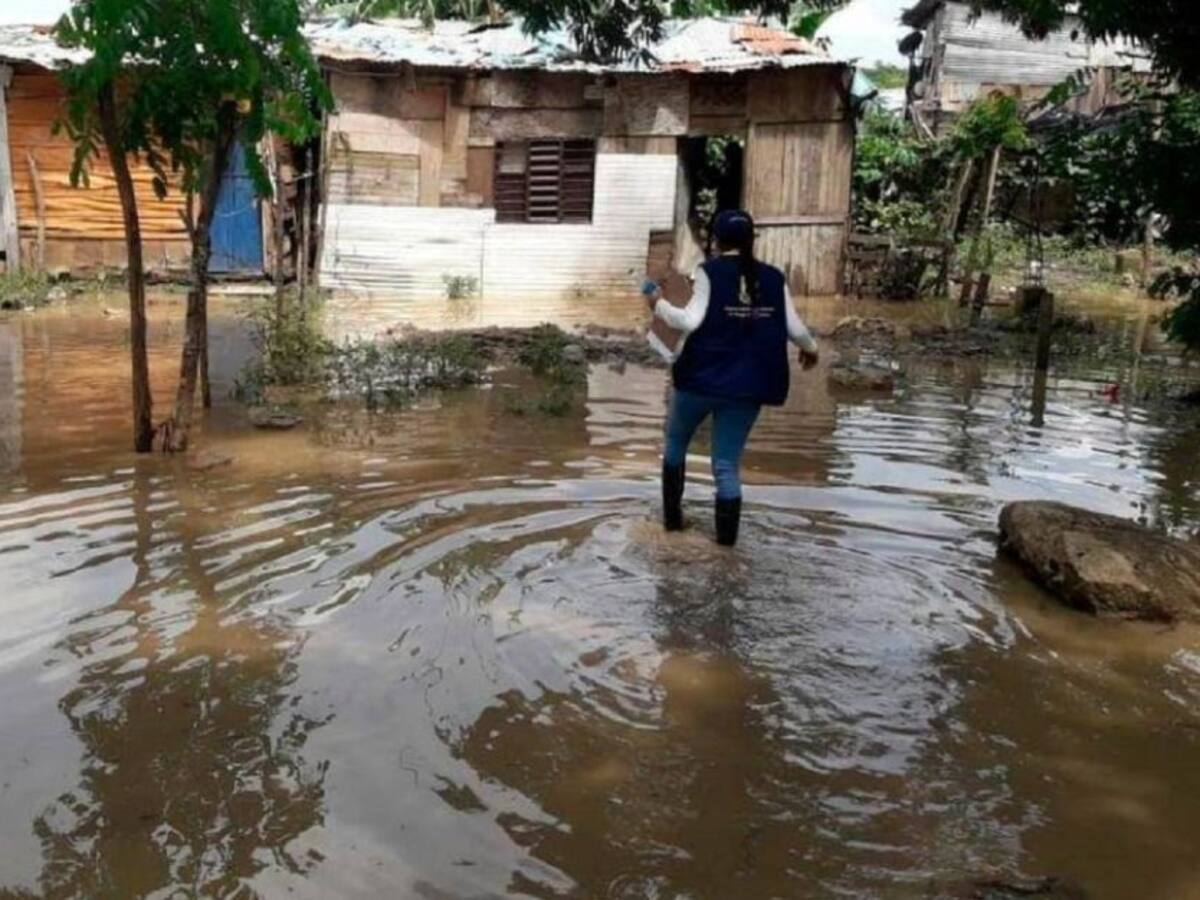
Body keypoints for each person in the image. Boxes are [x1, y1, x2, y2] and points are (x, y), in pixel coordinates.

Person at [647, 209, 819, 547]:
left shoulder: (708, 272)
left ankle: (672, 526)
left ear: (716, 240)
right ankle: (726, 550)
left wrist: (657, 303)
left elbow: (688, 321)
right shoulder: (773, 277)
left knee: (675, 446)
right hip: (749, 387)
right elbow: (795, 329)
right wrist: (811, 349)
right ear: (751, 240)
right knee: (726, 466)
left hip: (700, 380)